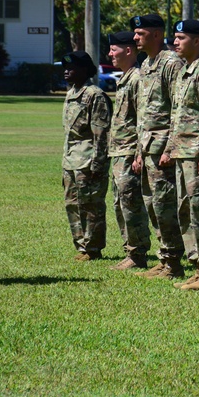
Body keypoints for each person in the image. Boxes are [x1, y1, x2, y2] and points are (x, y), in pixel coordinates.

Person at [131, 13, 187, 280]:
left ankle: (173, 262)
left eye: (140, 34)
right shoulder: (146, 64)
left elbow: (179, 107)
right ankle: (164, 258)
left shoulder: (171, 63)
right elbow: (144, 112)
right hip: (148, 146)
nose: (135, 38)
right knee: (153, 203)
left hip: (163, 147)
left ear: (155, 34)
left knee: (164, 204)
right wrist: (139, 150)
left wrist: (170, 147)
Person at [166, 20, 199, 291]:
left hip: (197, 153)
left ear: (197, 41)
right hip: (181, 152)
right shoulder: (185, 70)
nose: (175, 42)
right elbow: (178, 117)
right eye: (175, 37)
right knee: (186, 210)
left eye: (181, 38)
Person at [107, 30, 152, 270]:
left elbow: (142, 119)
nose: (110, 54)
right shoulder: (125, 78)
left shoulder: (137, 78)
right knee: (120, 202)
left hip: (129, 151)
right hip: (118, 151)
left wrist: (139, 153)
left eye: (114, 49)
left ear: (128, 51)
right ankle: (130, 251)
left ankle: (137, 254)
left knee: (131, 202)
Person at [60, 51, 111, 262]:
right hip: (71, 159)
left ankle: (93, 248)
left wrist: (98, 165)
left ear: (84, 70)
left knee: (91, 205)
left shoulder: (94, 95)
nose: (66, 71)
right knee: (72, 204)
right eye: (65, 67)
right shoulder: (72, 92)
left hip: (88, 160)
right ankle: (81, 245)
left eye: (71, 68)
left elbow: (102, 134)